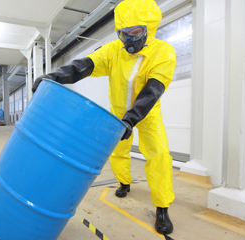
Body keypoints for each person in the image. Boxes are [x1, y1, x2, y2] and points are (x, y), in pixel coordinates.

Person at [32, 0, 176, 235]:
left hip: (147, 113)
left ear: (148, 28)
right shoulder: (113, 51)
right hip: (118, 113)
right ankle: (124, 182)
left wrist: (132, 119)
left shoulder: (163, 52)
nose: (129, 39)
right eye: (124, 33)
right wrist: (54, 76)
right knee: (119, 151)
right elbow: (84, 65)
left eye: (136, 32)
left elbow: (152, 91)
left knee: (159, 154)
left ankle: (162, 207)